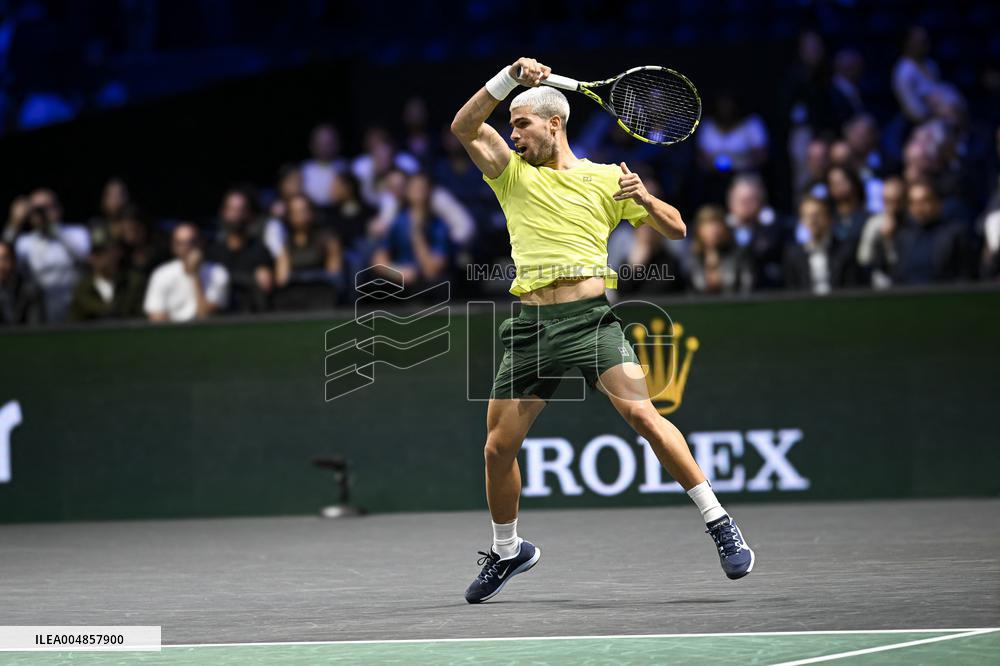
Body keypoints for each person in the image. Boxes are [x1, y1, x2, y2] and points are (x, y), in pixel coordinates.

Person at [450, 56, 755, 604]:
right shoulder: (509, 173)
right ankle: (507, 549)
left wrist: (643, 198)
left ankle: (718, 521)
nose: (513, 133)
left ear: (554, 123)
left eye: (521, 123)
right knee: (497, 450)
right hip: (531, 327)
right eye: (511, 124)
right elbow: (464, 127)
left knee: (644, 414)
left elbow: (679, 228)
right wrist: (506, 81)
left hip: (590, 321)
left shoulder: (607, 177)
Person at [7, 189, 89, 323]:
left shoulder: (77, 233)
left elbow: (85, 259)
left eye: (47, 208)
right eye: (37, 210)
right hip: (39, 311)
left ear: (58, 208)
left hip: (75, 307)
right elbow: (4, 258)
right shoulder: (24, 243)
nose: (42, 214)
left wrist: (54, 229)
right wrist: (14, 223)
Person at [877, 179, 970, 284]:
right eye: (913, 203)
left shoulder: (955, 235)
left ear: (938, 203)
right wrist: (887, 240)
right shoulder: (903, 236)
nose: (919, 208)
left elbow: (965, 276)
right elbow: (891, 273)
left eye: (925, 201)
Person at [369, 172, 450, 288]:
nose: (419, 191)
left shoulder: (438, 225)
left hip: (427, 283)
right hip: (399, 279)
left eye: (422, 187)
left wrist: (418, 234)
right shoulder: (398, 221)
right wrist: (399, 273)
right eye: (415, 187)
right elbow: (378, 261)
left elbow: (431, 271)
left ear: (429, 192)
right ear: (407, 191)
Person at [144, 223, 229, 322]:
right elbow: (156, 316)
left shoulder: (218, 273)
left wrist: (195, 275)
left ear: (201, 242)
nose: (188, 247)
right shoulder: (161, 274)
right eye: (181, 243)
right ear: (174, 247)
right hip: (171, 334)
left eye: (192, 242)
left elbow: (205, 315)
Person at [208, 188, 274, 312]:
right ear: (224, 212)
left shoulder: (259, 249)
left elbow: (266, 284)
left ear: (249, 214)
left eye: (241, 210)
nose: (236, 215)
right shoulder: (213, 250)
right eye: (232, 209)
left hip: (251, 314)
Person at [783, 195, 861, 294]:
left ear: (829, 218)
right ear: (802, 221)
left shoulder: (846, 251)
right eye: (808, 216)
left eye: (817, 215)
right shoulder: (793, 255)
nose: (813, 221)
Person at [68, 227, 145, 321]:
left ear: (118, 252)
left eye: (102, 252)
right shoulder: (82, 287)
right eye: (94, 253)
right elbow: (74, 324)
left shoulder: (134, 282)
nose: (96, 258)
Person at [686, 204, 753, 294]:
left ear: (725, 228)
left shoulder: (739, 254)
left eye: (717, 224)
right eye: (707, 224)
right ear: (698, 230)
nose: (713, 230)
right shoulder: (693, 258)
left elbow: (747, 288)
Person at [0, 240, 45, 325]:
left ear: (14, 261)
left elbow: (35, 330)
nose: (1, 265)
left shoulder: (30, 291)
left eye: (4, 259)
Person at [301, 124, 347, 206]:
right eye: (320, 143)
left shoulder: (345, 168)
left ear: (337, 144)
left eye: (329, 143)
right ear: (312, 145)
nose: (324, 147)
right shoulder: (303, 170)